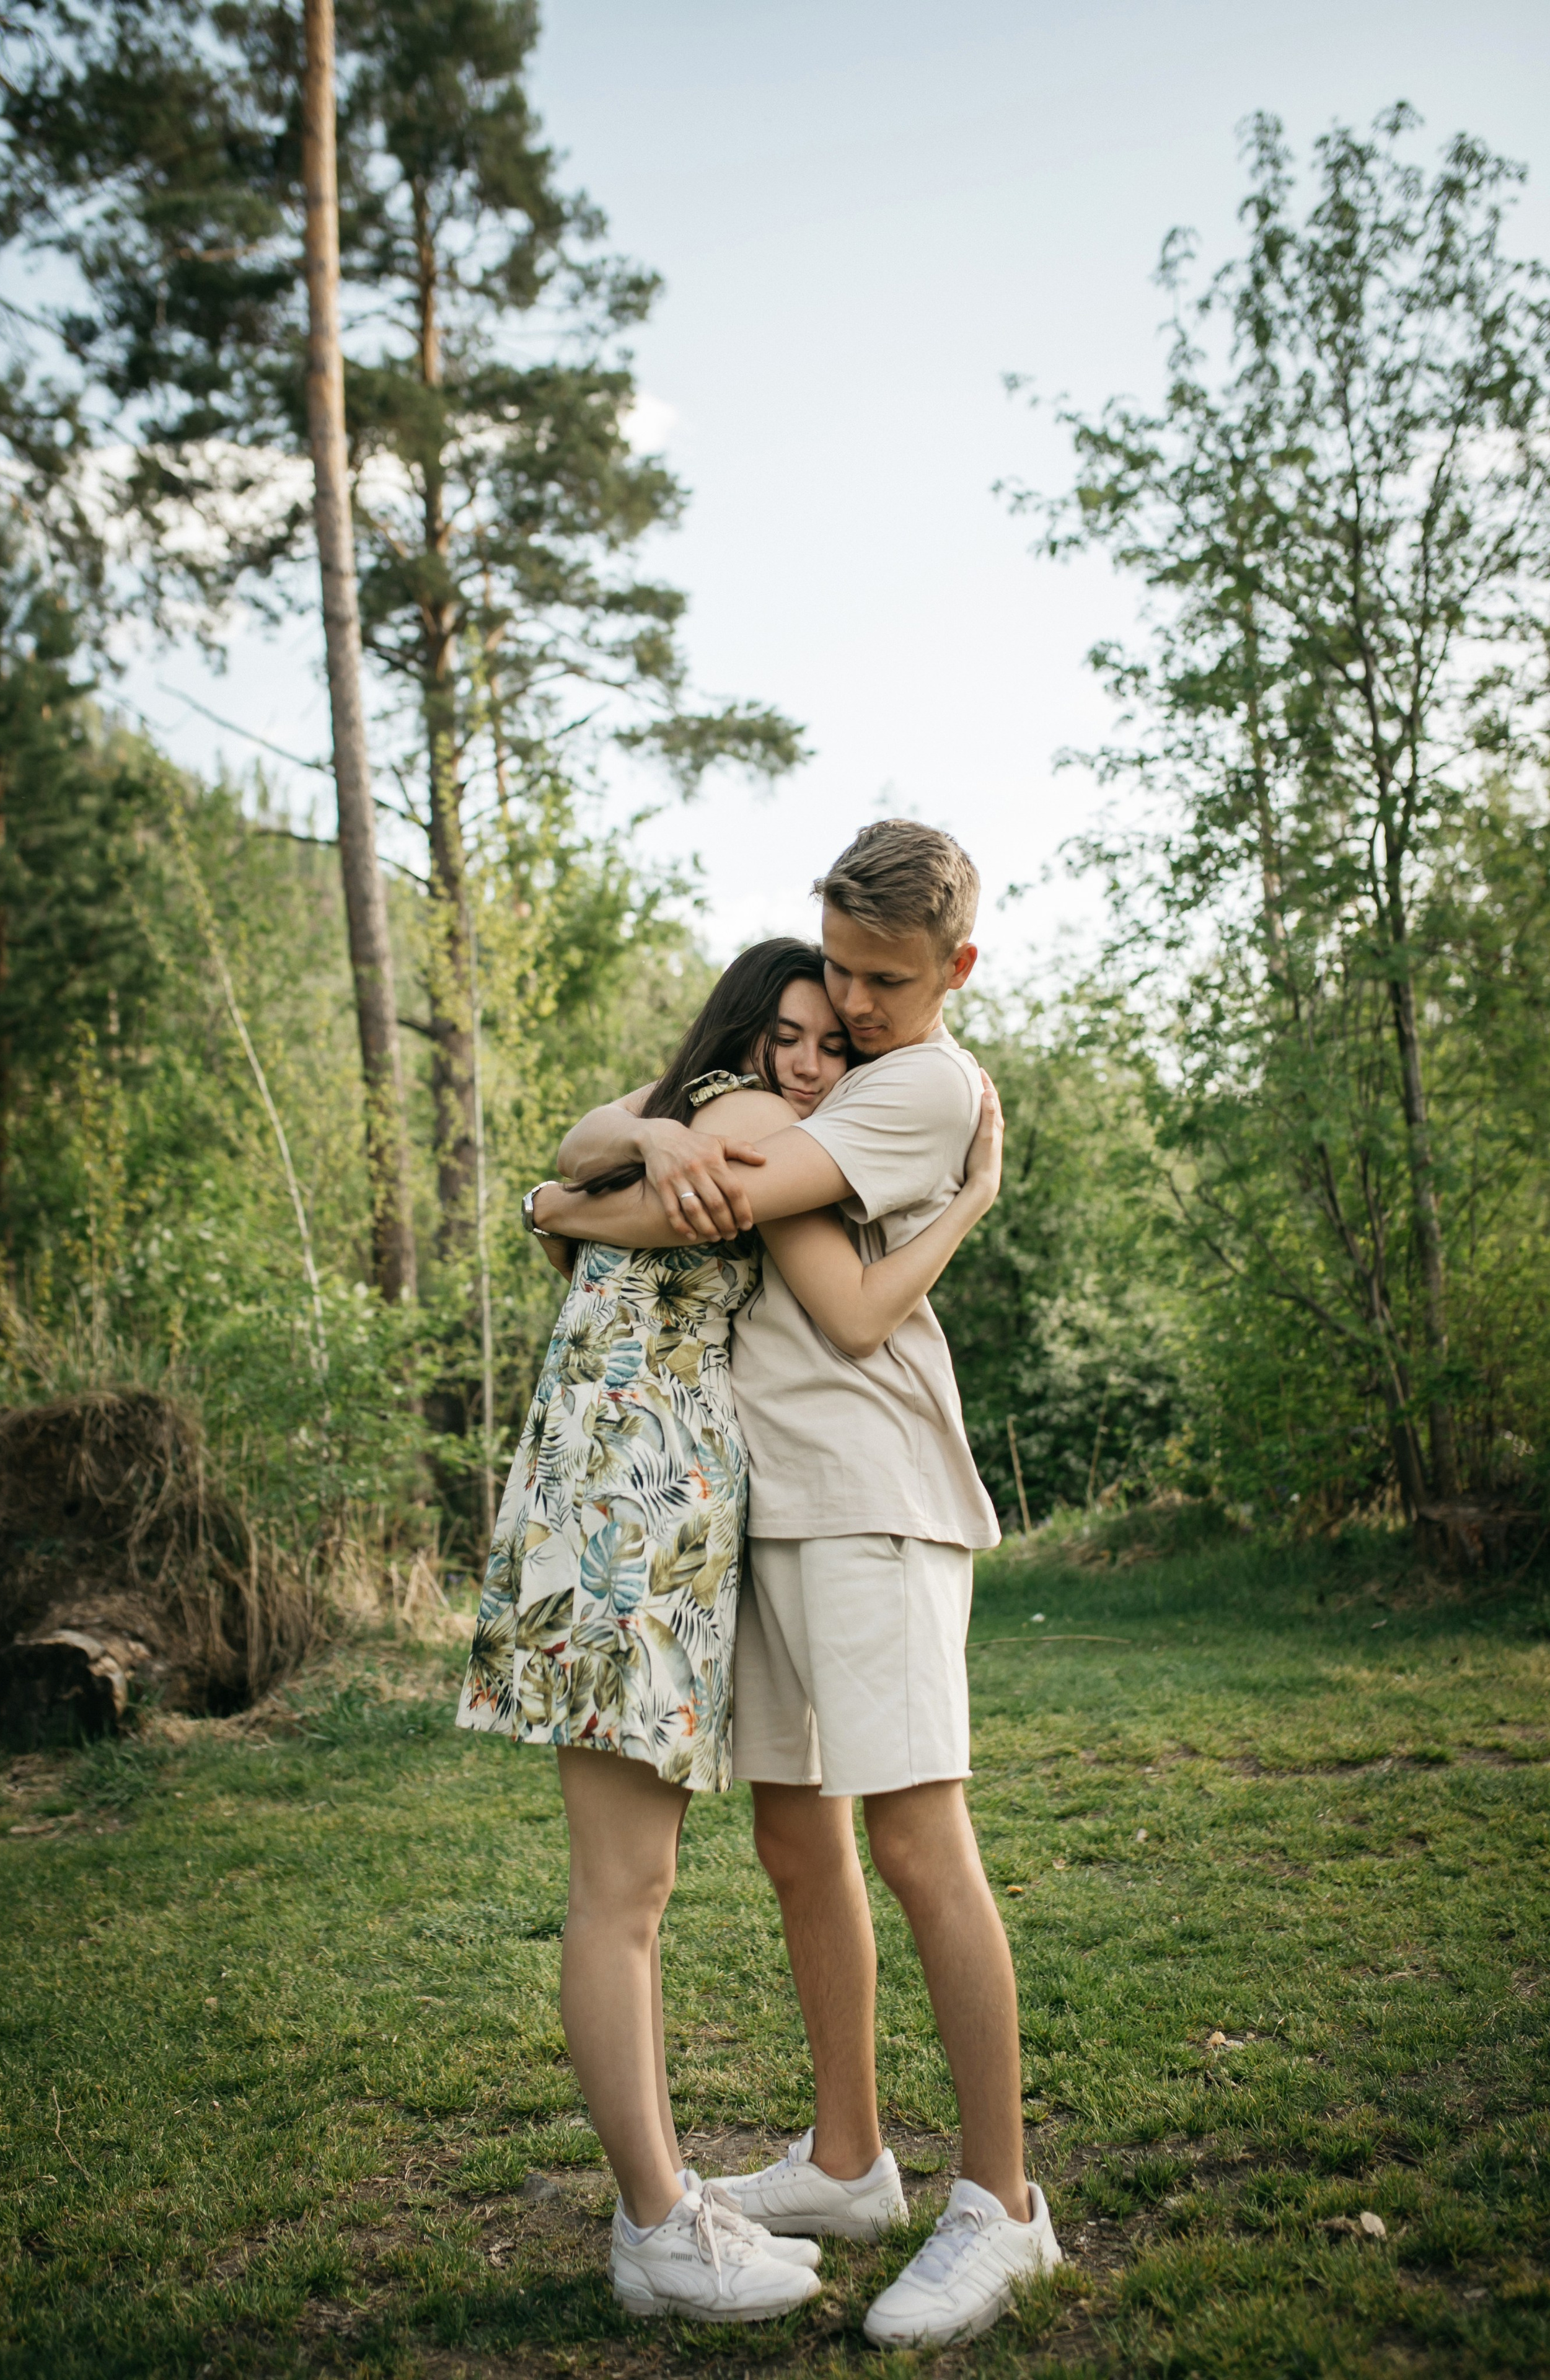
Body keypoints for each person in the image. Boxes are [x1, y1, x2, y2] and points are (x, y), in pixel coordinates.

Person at [536, 821, 1064, 2348]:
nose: (851, 1002)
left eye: (884, 977)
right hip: (773, 1508)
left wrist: (563, 1210)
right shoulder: (821, 1049)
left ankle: (1000, 2207)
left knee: (917, 1840)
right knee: (794, 1838)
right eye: (832, 965)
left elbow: (711, 1199)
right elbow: (642, 1134)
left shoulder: (918, 1081)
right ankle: (846, 2163)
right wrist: (590, 1168)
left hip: (870, 1497)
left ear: (954, 969)